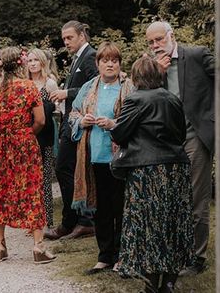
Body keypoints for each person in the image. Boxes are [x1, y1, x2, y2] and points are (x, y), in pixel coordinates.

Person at [110, 54, 193, 293]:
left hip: (147, 171)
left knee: (147, 225)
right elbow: (181, 135)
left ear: (136, 77)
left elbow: (119, 133)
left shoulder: (135, 99)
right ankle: (169, 282)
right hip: (176, 166)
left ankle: (150, 284)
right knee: (173, 222)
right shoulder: (173, 99)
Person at [145, 20, 214, 276]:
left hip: (196, 136)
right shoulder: (152, 67)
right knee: (173, 199)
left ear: (171, 36)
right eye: (151, 42)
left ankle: (197, 258)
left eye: (159, 39)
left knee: (196, 199)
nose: (155, 46)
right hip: (168, 140)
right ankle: (177, 252)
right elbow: (146, 101)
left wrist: (215, 117)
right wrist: (157, 75)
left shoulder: (196, 55)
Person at [0, 46, 56, 264]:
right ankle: (38, 246)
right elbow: (40, 120)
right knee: (31, 188)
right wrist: (26, 133)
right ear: (20, 64)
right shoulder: (29, 88)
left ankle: (0, 244)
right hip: (24, 144)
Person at [69, 42, 133, 274]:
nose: (110, 64)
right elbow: (73, 113)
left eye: (114, 60)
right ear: (97, 64)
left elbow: (135, 119)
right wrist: (81, 121)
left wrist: (114, 124)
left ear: (119, 64)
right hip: (93, 156)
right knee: (101, 209)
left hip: (120, 159)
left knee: (121, 208)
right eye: (105, 60)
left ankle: (121, 256)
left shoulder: (128, 87)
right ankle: (104, 256)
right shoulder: (89, 86)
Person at [46, 20, 98, 240]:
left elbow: (97, 85)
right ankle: (76, 219)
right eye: (64, 38)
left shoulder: (90, 56)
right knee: (69, 169)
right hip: (70, 121)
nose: (66, 42)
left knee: (65, 168)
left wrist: (67, 93)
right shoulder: (79, 57)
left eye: (69, 38)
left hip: (80, 122)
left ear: (82, 36)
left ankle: (77, 220)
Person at [26, 47, 59, 231]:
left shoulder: (50, 83)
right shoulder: (25, 83)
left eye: (35, 60)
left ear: (42, 62)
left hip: (45, 133)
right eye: (29, 61)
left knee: (45, 178)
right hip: (28, 134)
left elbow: (57, 109)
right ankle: (32, 220)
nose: (32, 64)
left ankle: (47, 221)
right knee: (30, 178)